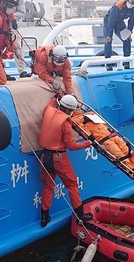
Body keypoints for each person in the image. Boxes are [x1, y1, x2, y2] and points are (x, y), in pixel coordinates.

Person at [38, 94, 93, 227]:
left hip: (45, 156)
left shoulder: (48, 111)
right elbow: (72, 146)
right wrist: (88, 142)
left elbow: (51, 104)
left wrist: (54, 97)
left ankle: (44, 217)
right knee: (72, 184)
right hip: (58, 158)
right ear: (70, 110)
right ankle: (80, 215)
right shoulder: (65, 122)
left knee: (48, 186)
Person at [71, 111, 134, 187]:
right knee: (123, 159)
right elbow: (86, 133)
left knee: (131, 155)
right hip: (105, 142)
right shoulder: (77, 120)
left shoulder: (89, 114)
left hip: (112, 137)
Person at [2, 0, 30, 78]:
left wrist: (12, 17)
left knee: (17, 47)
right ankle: (0, 71)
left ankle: (22, 71)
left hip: (10, 26)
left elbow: (22, 12)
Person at [102, 0, 134, 67]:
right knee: (108, 40)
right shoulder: (118, 6)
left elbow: (131, 21)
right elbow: (111, 21)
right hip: (109, 21)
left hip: (119, 21)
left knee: (127, 39)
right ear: (126, 0)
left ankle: (126, 61)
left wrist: (129, 33)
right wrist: (109, 35)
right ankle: (108, 63)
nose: (131, 4)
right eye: (130, 2)